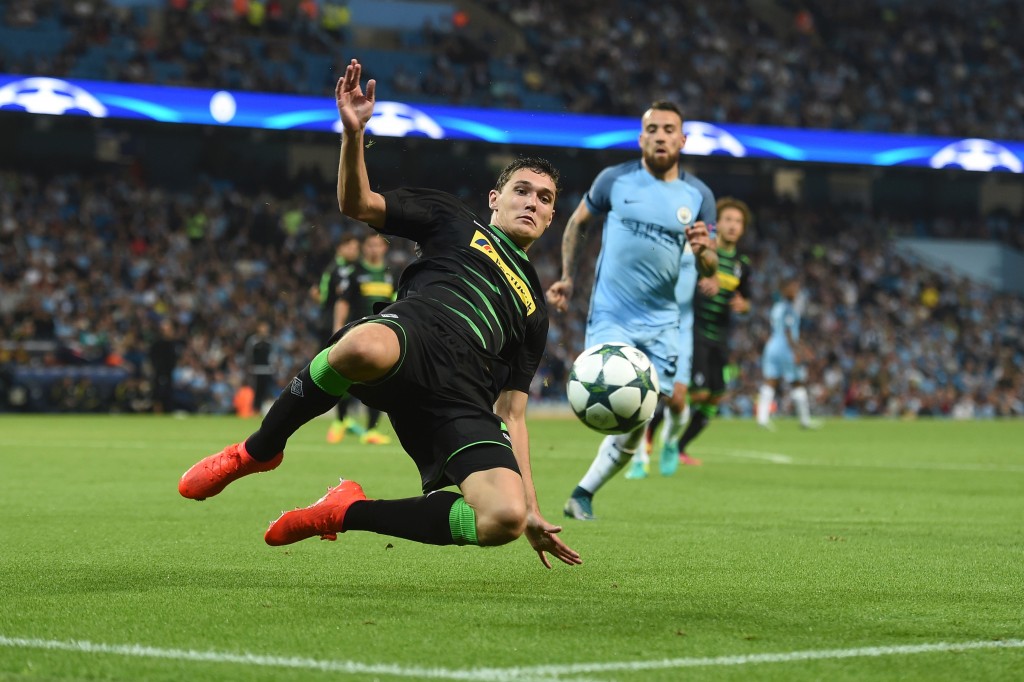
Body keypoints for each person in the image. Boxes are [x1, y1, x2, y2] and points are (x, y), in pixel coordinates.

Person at [178, 59, 580, 569]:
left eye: (544, 199)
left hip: (465, 399)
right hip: (418, 336)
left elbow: (514, 412)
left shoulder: (535, 308)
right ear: (495, 198)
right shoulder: (455, 220)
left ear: (551, 217)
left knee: (504, 519)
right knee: (362, 346)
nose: (532, 203)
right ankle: (259, 450)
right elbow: (359, 204)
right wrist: (353, 135)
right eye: (522, 190)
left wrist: (533, 509)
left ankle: (343, 511)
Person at [546, 100, 717, 521]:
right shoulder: (614, 180)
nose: (660, 136)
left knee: (643, 415)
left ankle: (582, 493)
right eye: (652, 129)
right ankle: (583, 494)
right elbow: (578, 223)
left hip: (663, 321)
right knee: (616, 397)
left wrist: (703, 252)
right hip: (613, 313)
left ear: (683, 139)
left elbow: (711, 266)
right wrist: (568, 276)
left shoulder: (699, 196)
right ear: (641, 138)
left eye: (669, 129)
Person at [675, 197, 753, 461]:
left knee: (716, 398)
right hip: (695, 330)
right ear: (716, 223)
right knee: (697, 393)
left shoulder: (742, 263)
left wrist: (744, 305)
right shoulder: (703, 253)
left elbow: (746, 299)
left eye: (738, 221)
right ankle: (653, 429)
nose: (732, 225)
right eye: (727, 219)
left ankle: (679, 447)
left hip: (721, 336)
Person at [625, 236, 703, 479]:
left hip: (680, 330)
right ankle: (639, 458)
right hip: (645, 326)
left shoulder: (694, 238)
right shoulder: (648, 236)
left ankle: (669, 440)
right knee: (641, 396)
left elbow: (710, 264)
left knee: (677, 398)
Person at [341, 232, 397, 444]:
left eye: (378, 245)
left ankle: (371, 429)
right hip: (356, 332)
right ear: (365, 248)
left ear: (384, 248)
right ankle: (341, 421)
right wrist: (338, 327)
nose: (374, 249)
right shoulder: (355, 272)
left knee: (379, 380)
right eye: (370, 245)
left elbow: (397, 301)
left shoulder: (392, 273)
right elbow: (343, 302)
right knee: (346, 377)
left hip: (382, 333)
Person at [312, 232, 364, 443]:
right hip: (334, 327)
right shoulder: (340, 270)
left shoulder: (336, 269)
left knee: (343, 372)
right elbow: (329, 297)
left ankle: (343, 418)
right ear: (340, 248)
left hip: (333, 325)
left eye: (356, 248)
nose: (354, 251)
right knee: (340, 371)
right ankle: (340, 419)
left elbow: (318, 293)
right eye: (350, 247)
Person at [756, 277, 818, 429]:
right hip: (785, 349)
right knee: (796, 382)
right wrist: (799, 351)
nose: (796, 291)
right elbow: (789, 332)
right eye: (793, 288)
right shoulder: (789, 308)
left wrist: (803, 347)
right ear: (784, 290)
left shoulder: (777, 307)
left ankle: (762, 419)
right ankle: (805, 420)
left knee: (770, 381)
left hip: (772, 346)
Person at [243, 320, 275, 414]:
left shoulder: (270, 341)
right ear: (258, 328)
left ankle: (263, 410)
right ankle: (254, 410)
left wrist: (273, 367)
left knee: (266, 392)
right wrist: (248, 367)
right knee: (256, 392)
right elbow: (248, 355)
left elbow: (273, 356)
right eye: (262, 327)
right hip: (255, 370)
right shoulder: (253, 340)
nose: (264, 330)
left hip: (267, 370)